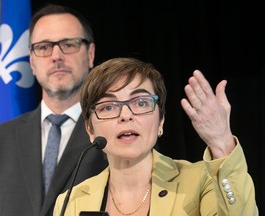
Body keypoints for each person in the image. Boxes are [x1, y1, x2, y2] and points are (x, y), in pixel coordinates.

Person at [53, 57, 258, 216]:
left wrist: (221, 142)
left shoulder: (201, 181)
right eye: (108, 106)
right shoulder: (72, 201)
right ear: (90, 129)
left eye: (141, 102)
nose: (126, 115)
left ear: (160, 122)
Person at [0, 4, 108, 216]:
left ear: (90, 54)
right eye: (44, 47)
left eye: (69, 44)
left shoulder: (113, 135)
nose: (56, 56)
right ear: (31, 61)